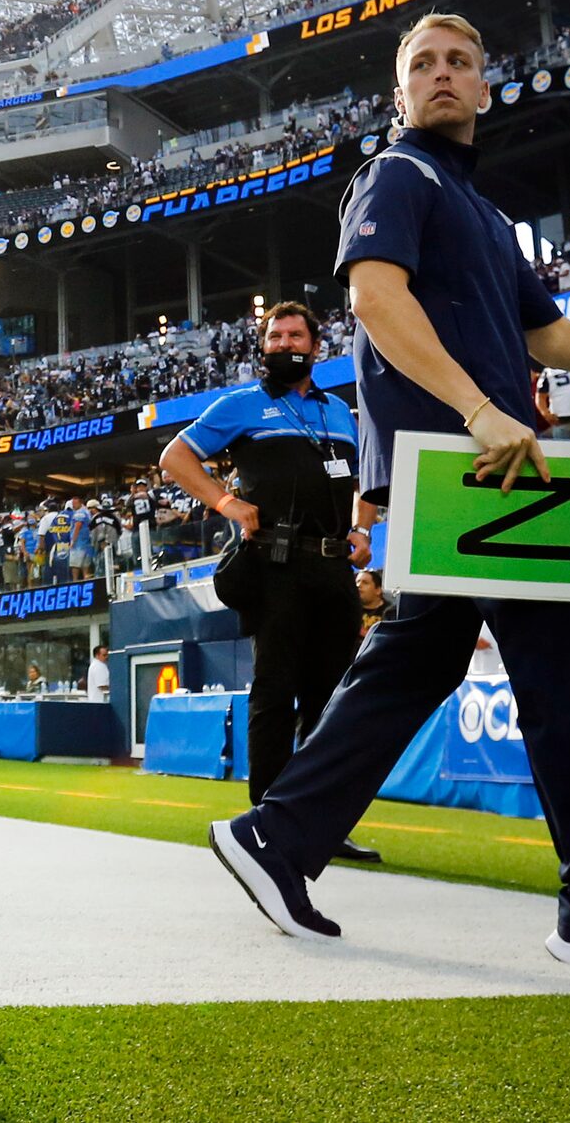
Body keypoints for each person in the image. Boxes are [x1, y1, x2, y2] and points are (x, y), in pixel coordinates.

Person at [209, 10, 570, 979]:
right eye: (420, 64)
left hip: (474, 461)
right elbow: (375, 300)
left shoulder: (486, 214)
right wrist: (475, 409)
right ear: (398, 93)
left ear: (483, 85)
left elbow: (552, 340)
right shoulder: (397, 175)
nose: (439, 74)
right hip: (470, 461)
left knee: (419, 655)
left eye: (458, 61)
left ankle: (280, 836)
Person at [161, 301, 377, 861]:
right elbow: (175, 457)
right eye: (274, 336)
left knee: (332, 701)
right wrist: (225, 501)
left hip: (333, 570)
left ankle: (323, 822)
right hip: (275, 565)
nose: (283, 344)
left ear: (315, 345)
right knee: (276, 692)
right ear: (263, 347)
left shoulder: (341, 414)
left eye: (294, 335)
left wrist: (362, 528)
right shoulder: (243, 405)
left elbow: (366, 482)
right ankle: (267, 822)